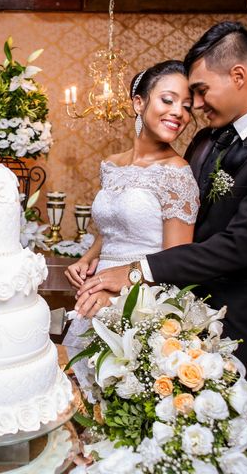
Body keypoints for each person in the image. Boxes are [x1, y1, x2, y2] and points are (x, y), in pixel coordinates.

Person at [74, 22, 247, 474]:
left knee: (232, 440)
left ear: (239, 76)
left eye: (201, 91)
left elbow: (238, 246)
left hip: (234, 319)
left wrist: (133, 271)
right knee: (160, 439)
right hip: (174, 307)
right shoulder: (208, 137)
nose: (196, 105)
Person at [63, 59, 199, 396]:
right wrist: (88, 258)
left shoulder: (177, 174)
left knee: (116, 399)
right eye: (167, 100)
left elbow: (177, 262)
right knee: (79, 399)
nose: (179, 113)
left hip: (144, 300)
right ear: (139, 102)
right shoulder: (111, 165)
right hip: (95, 293)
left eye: (186, 106)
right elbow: (112, 228)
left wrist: (116, 294)